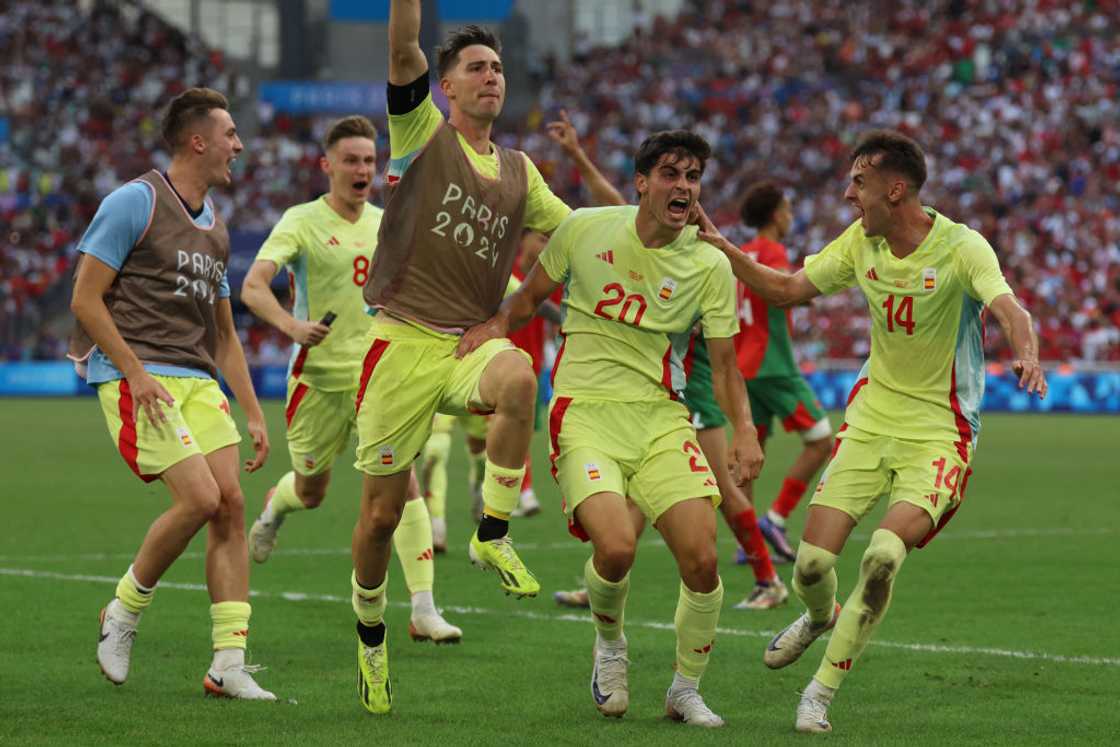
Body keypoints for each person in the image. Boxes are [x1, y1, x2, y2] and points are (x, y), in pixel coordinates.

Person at [695, 129, 1047, 733]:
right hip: (871, 421)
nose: (848, 193)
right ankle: (816, 615)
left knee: (884, 554)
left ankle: (820, 693)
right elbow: (783, 290)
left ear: (896, 188)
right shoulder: (860, 243)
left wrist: (1028, 353)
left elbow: (1011, 309)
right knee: (808, 566)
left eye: (858, 182)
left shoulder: (962, 247)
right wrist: (722, 244)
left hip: (941, 431)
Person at [459, 130, 764, 727]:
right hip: (585, 413)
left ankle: (684, 689)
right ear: (642, 183)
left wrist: (745, 430)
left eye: (693, 177)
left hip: (661, 417)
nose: (684, 187)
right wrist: (490, 328)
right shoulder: (585, 228)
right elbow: (527, 301)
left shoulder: (709, 264)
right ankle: (609, 645)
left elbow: (725, 365)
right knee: (617, 545)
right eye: (672, 175)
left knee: (702, 559)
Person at [350, 0, 573, 714]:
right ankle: (372, 638)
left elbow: (576, 239)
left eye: (499, 68)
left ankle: (493, 532)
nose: (491, 77)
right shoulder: (419, 133)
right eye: (476, 68)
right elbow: (403, 44)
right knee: (382, 516)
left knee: (519, 376)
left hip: (467, 344)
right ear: (446, 86)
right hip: (400, 342)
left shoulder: (520, 170)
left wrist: (507, 311)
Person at [69, 87, 275, 699]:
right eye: (230, 134)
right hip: (142, 376)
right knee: (200, 499)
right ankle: (123, 611)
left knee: (232, 504)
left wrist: (255, 413)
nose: (239, 146)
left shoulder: (217, 227)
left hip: (197, 380)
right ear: (198, 140)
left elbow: (225, 336)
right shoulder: (135, 201)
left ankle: (228, 664)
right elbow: (85, 296)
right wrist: (134, 372)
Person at [240, 115, 460, 645]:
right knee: (312, 490)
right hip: (317, 380)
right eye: (352, 160)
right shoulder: (301, 221)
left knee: (404, 485)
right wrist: (293, 326)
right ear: (327, 165)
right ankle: (276, 507)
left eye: (369, 160)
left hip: (377, 381)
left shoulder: (386, 223)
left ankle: (425, 608)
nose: (362, 169)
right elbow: (253, 287)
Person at [735, 182, 834, 564]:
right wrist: (820, 286)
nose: (791, 216)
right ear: (776, 215)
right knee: (822, 440)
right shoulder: (773, 251)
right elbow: (784, 289)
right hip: (773, 364)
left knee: (748, 459)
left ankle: (750, 547)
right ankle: (774, 519)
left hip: (745, 366)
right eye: (788, 209)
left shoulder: (743, 254)